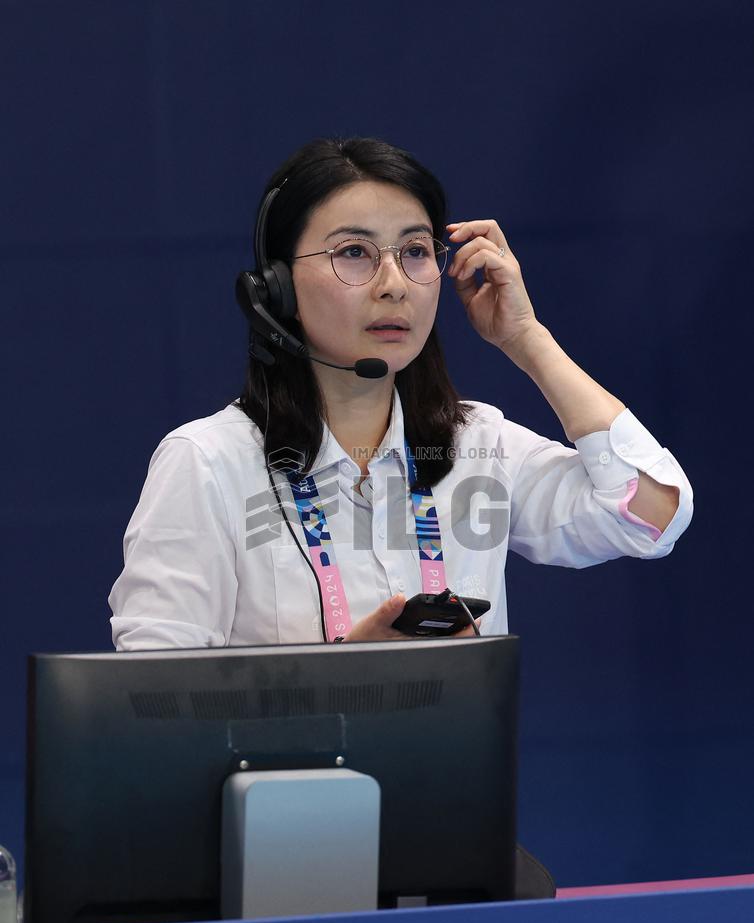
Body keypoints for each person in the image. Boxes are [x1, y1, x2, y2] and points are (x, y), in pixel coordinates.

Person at [108, 136, 693, 651]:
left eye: (415, 251)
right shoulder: (208, 463)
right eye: (353, 253)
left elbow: (651, 515)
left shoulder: (477, 446)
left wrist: (525, 338)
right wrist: (337, 682)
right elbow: (158, 701)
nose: (394, 285)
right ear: (277, 287)